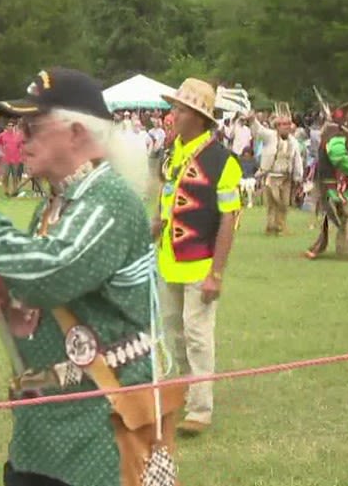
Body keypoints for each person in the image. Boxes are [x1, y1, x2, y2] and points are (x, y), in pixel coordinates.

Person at [0, 68, 182, 486]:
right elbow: (42, 303)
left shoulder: (110, 199)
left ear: (76, 133)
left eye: (33, 125)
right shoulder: (55, 206)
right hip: (45, 432)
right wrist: (10, 305)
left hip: (98, 434)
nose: (21, 136)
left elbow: (46, 271)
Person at [155, 78, 241, 436]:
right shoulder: (174, 153)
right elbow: (167, 207)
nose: (172, 114)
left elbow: (229, 219)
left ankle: (201, 409)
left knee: (197, 334)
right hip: (168, 263)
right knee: (174, 334)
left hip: (200, 263)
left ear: (198, 116)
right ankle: (184, 394)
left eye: (178, 109)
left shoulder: (223, 161)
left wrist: (216, 274)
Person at [305, 102, 348, 260]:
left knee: (346, 218)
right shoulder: (335, 140)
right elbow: (346, 165)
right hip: (341, 187)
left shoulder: (336, 137)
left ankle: (345, 250)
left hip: (340, 186)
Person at [248, 110, 304, 235]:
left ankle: (281, 226)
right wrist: (252, 119)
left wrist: (298, 177)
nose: (287, 127)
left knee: (284, 204)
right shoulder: (270, 136)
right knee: (272, 203)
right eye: (284, 124)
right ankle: (271, 226)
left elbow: (297, 160)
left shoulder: (294, 142)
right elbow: (259, 130)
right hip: (271, 176)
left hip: (286, 178)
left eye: (289, 124)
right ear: (277, 126)